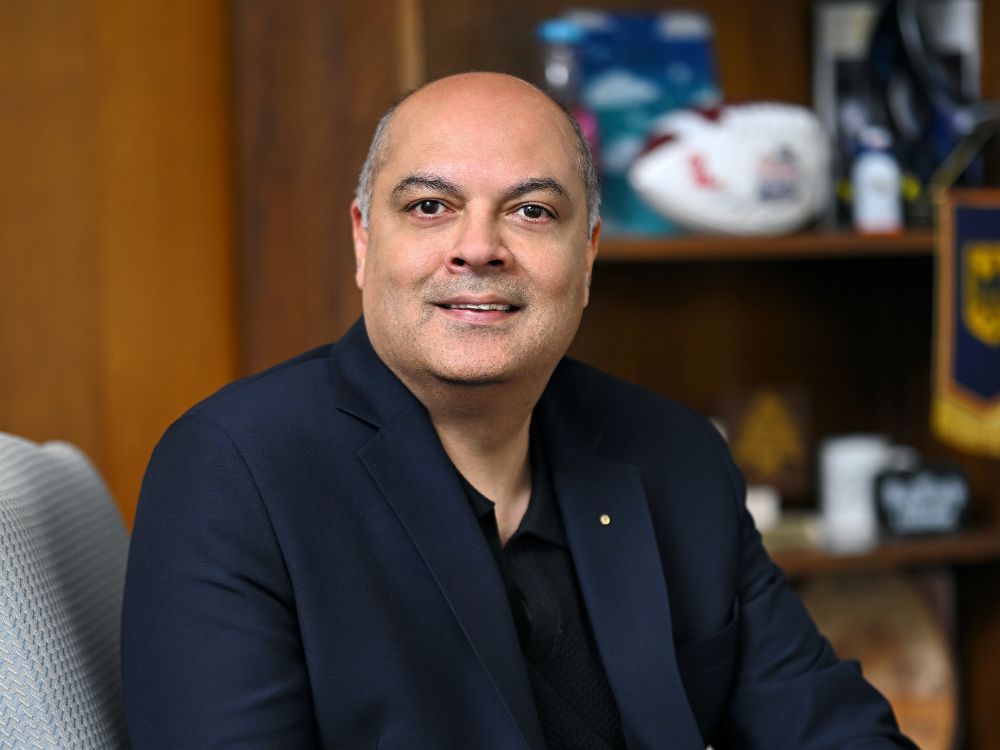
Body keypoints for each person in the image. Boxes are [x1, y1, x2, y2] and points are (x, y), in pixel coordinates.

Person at [122, 72, 915, 749]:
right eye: (431, 206)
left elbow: (834, 731)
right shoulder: (235, 472)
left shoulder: (672, 454)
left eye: (532, 212)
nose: (478, 248)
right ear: (364, 240)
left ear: (589, 251)